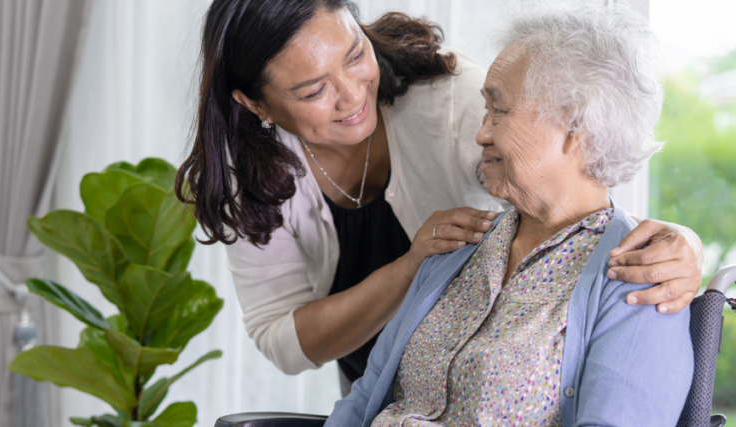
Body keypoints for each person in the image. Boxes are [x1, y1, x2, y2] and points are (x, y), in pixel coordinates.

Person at [175, 0, 703, 392]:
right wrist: (410, 268)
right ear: (255, 104)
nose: (353, 93)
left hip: (486, 389)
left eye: (355, 54)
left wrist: (680, 243)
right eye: (313, 91)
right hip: (383, 392)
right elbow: (283, 340)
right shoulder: (247, 175)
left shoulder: (453, 102)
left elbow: (576, 180)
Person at [326, 3, 693, 425]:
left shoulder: (639, 280)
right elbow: (362, 402)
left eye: (499, 110)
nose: (482, 132)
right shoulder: (455, 245)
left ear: (575, 128)